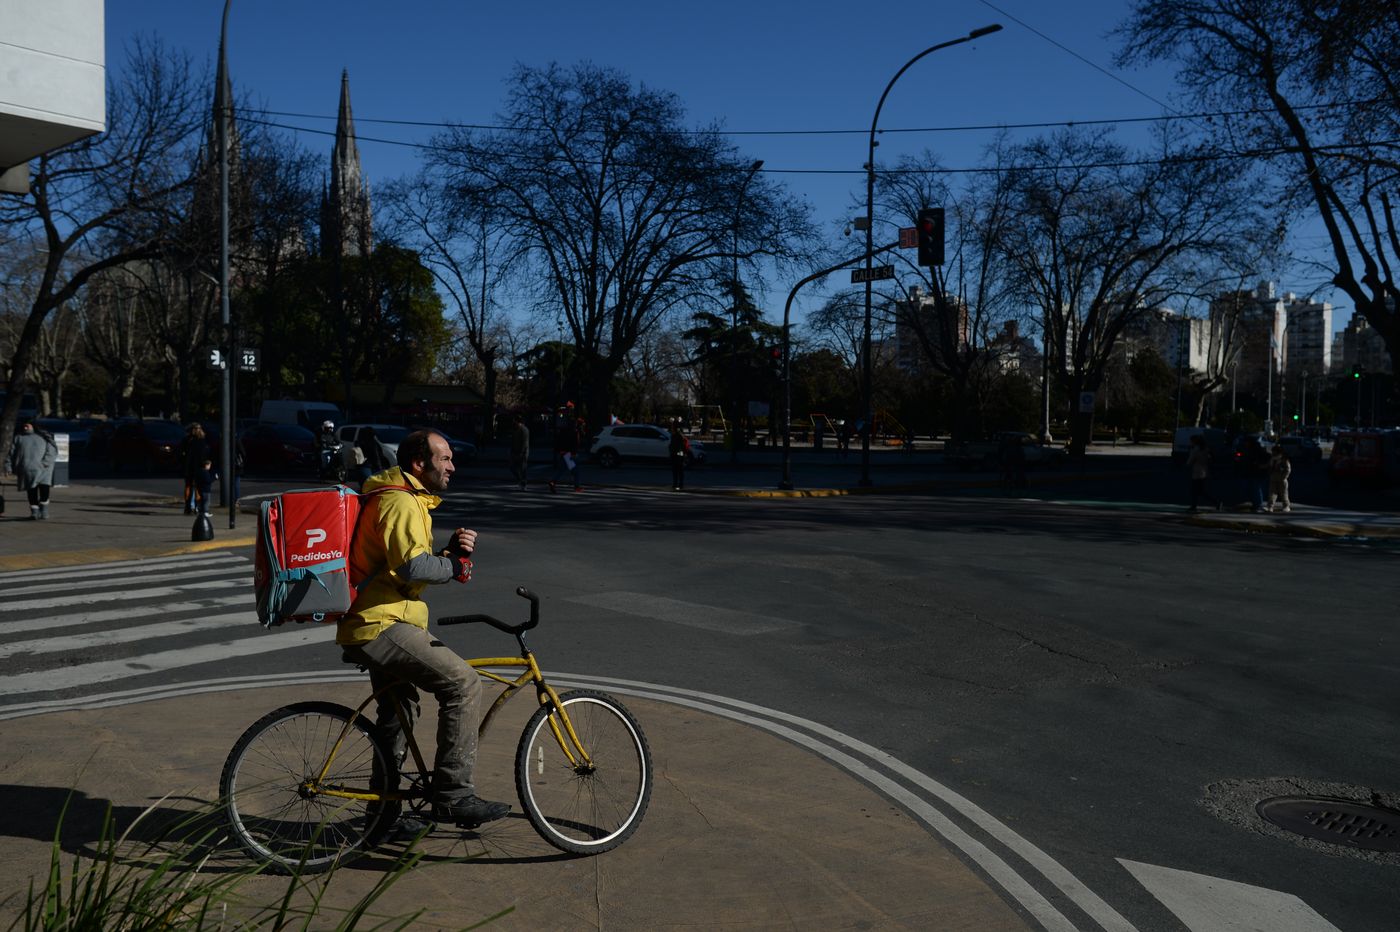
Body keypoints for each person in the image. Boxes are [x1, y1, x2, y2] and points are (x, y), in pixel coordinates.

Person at [337, 429, 511, 829]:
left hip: (375, 619)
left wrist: (448, 554)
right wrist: (455, 567)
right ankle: (453, 795)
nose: (452, 466)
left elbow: (405, 561)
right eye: (444, 458)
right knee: (464, 684)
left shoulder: (402, 498)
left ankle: (382, 813)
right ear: (419, 463)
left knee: (400, 711)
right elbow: (413, 567)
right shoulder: (400, 501)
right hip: (382, 622)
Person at [9, 420, 57, 520]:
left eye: (27, 425)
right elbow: (12, 454)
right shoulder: (18, 438)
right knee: (31, 491)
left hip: (44, 469)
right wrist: (9, 466)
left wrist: (45, 463)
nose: (25, 427)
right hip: (27, 469)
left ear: (33, 425)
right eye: (24, 426)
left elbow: (52, 451)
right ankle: (34, 512)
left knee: (44, 490)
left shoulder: (44, 436)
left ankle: (44, 510)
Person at [548, 406, 581, 493]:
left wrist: (558, 450)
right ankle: (577, 487)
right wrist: (574, 453)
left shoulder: (563, 431)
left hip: (563, 452)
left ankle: (553, 482)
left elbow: (557, 442)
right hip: (570, 454)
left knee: (562, 470)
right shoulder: (574, 432)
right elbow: (575, 444)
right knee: (575, 471)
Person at [180, 423, 211, 514]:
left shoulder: (187, 440)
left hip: (188, 466)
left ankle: (187, 506)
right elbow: (205, 454)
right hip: (199, 467)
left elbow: (181, 453)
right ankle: (196, 506)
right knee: (198, 487)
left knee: (188, 486)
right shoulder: (202, 441)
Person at [1186, 433, 1221, 513]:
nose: (1190, 442)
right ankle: (1215, 503)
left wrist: (1187, 465)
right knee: (1199, 490)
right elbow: (1211, 458)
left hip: (1197, 471)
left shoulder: (1195, 449)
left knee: (1196, 490)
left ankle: (1215, 503)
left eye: (1191, 441)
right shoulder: (1206, 449)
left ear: (1194, 441)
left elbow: (1190, 460)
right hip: (1204, 471)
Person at [1246, 437, 1271, 512]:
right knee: (1255, 488)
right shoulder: (1258, 450)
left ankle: (1257, 505)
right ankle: (1256, 505)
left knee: (1256, 488)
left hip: (1258, 472)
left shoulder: (1255, 451)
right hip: (1258, 472)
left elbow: (1267, 459)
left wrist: (1261, 466)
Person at [1267, 444, 1292, 513]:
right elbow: (1270, 467)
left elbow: (1288, 469)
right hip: (1273, 478)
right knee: (1272, 493)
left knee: (1283, 494)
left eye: (1274, 451)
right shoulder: (1272, 459)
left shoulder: (1284, 459)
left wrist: (1284, 477)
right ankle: (1270, 506)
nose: (1273, 453)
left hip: (1282, 479)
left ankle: (1286, 506)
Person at [509, 414, 530, 491]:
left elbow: (525, 443)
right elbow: (512, 441)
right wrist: (511, 451)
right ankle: (520, 480)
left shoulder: (524, 430)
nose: (513, 421)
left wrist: (521, 453)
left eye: (514, 420)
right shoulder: (514, 429)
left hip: (523, 453)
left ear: (518, 421)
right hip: (515, 451)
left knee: (523, 469)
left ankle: (524, 484)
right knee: (512, 467)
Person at [668, 419, 688, 491]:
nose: (672, 427)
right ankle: (676, 484)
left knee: (679, 470)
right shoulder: (674, 434)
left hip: (679, 454)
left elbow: (682, 445)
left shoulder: (679, 435)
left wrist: (682, 454)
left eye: (673, 425)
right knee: (676, 470)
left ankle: (679, 484)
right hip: (675, 454)